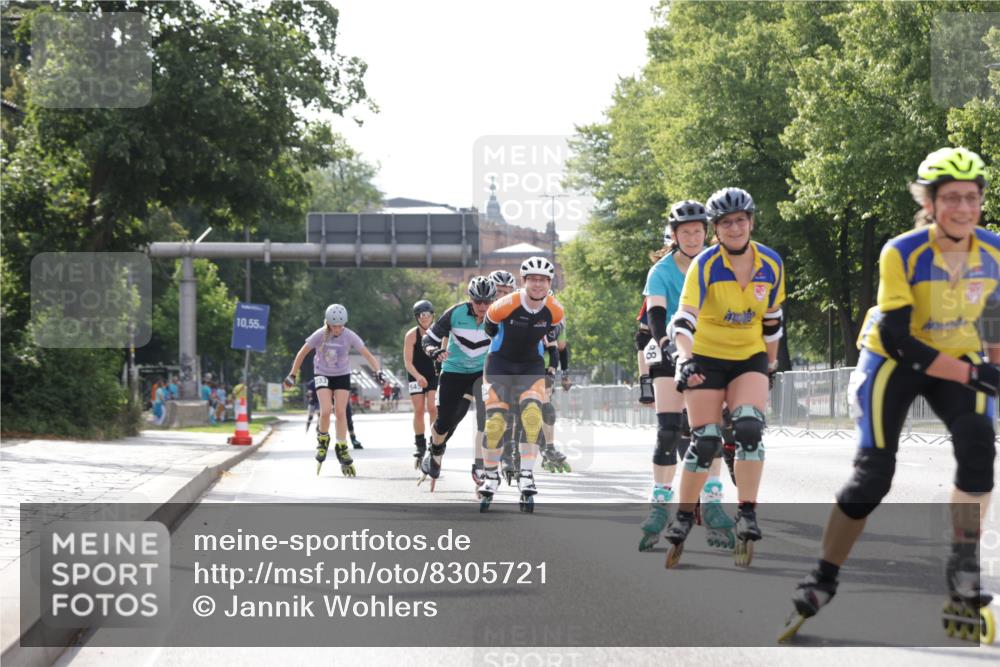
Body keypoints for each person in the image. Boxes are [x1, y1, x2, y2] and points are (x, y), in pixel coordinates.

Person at [780, 148, 996, 642]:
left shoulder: (995, 251)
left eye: (972, 197)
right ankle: (822, 578)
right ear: (928, 202)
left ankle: (963, 567)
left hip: (959, 357)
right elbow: (900, 340)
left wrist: (994, 371)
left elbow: (995, 318)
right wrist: (976, 375)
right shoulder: (902, 251)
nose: (963, 208)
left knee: (979, 449)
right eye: (951, 198)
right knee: (873, 477)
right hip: (893, 362)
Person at [663, 187, 785, 567]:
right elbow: (683, 318)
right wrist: (685, 359)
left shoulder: (771, 262)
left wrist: (770, 366)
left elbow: (772, 321)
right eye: (726, 223)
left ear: (751, 222)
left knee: (749, 428)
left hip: (749, 356)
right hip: (706, 356)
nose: (735, 228)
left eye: (740, 220)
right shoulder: (705, 265)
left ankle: (747, 511)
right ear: (716, 229)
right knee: (706, 441)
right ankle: (684, 515)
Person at [637, 200, 735, 552]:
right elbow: (655, 314)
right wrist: (666, 345)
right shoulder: (661, 271)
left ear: (707, 233)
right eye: (686, 232)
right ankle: (659, 502)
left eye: (698, 231)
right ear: (675, 235)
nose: (693, 238)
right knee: (668, 429)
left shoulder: (719, 263)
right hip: (669, 351)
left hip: (708, 352)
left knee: (709, 432)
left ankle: (712, 501)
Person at [478, 257, 564, 512]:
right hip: (499, 364)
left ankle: (526, 474)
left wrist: (553, 367)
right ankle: (490, 476)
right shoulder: (506, 304)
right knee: (495, 423)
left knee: (532, 415)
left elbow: (551, 338)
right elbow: (489, 328)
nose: (538, 284)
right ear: (524, 281)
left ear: (550, 282)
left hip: (530, 365)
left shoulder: (556, 310)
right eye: (533, 279)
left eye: (543, 280)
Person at [284, 304, 384, 477]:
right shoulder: (319, 335)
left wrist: (378, 371)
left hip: (342, 375)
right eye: (334, 326)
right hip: (322, 374)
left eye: (340, 326)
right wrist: (292, 374)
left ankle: (342, 446)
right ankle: (323, 439)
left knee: (340, 412)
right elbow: (302, 353)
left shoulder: (349, 335)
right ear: (328, 323)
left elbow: (367, 354)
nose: (338, 329)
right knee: (325, 411)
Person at [418, 276, 495, 491]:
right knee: (445, 422)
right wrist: (435, 352)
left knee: (485, 418)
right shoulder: (455, 313)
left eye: (487, 302)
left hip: (481, 374)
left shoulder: (497, 317)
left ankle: (480, 465)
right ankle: (435, 449)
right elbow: (428, 339)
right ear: (470, 299)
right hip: (453, 371)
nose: (482, 306)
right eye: (478, 301)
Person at [404, 300, 439, 467]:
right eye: (420, 316)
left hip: (434, 374)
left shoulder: (439, 333)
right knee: (419, 409)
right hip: (416, 374)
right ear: (417, 318)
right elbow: (407, 362)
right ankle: (419, 444)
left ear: (432, 316)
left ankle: (434, 441)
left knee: (432, 407)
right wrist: (418, 376)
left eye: (427, 315)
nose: (424, 318)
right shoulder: (411, 335)